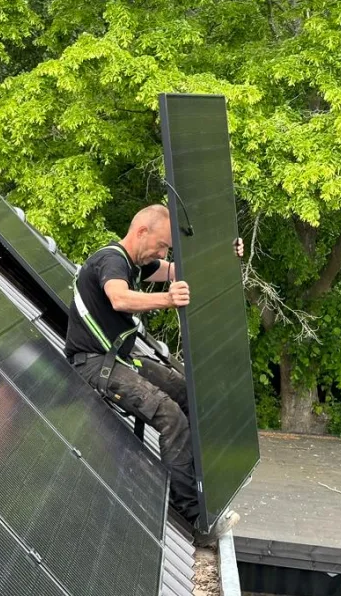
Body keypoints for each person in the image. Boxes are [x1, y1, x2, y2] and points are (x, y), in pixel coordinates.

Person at [64, 204, 243, 545]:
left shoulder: (137, 264)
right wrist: (168, 300)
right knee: (170, 416)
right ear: (142, 232)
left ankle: (206, 486)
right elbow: (118, 298)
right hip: (94, 364)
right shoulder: (111, 261)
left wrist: (225, 254)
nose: (162, 254)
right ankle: (195, 518)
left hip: (119, 358)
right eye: (161, 245)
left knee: (187, 393)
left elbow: (179, 271)